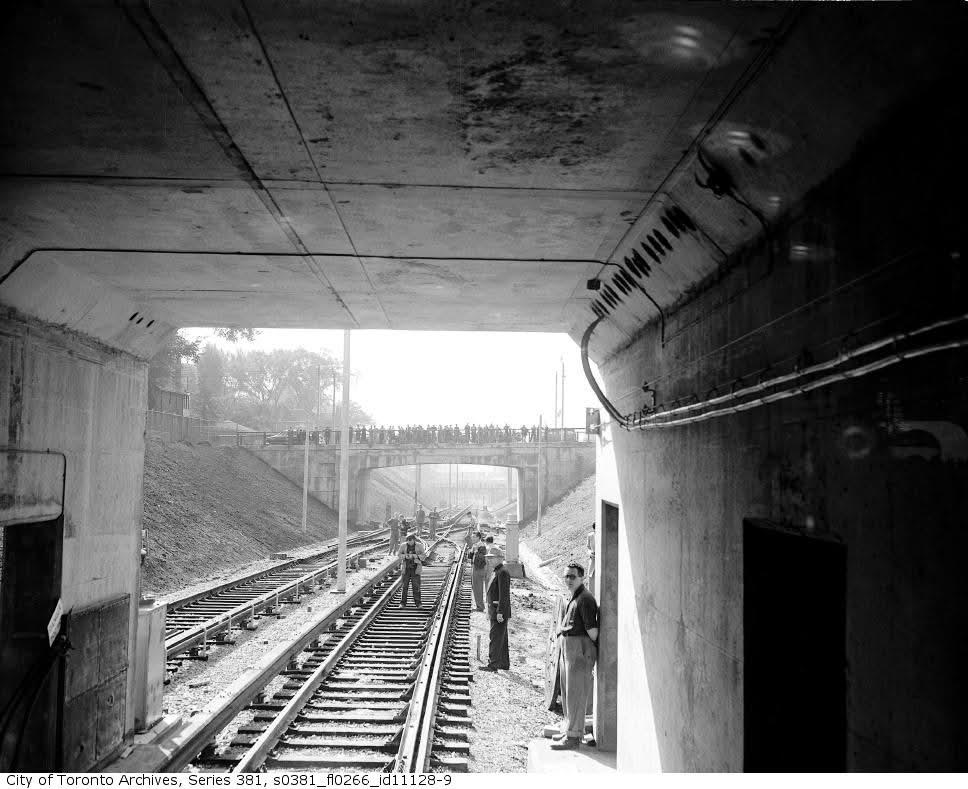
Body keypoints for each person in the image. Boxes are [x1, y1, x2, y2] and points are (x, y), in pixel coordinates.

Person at [552, 563, 599, 750]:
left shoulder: (585, 599)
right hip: (570, 648)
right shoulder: (575, 597)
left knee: (577, 695)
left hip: (579, 649)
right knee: (568, 693)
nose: (569, 580)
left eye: (572, 576)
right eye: (566, 576)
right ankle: (569, 730)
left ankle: (574, 738)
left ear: (582, 578)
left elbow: (592, 631)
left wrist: (585, 652)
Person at [479, 555, 511, 671]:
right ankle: (503, 663)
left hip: (498, 610)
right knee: (501, 638)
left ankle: (493, 665)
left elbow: (504, 594)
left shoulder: (502, 572)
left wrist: (500, 612)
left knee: (495, 637)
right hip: (495, 609)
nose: (489, 560)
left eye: (492, 558)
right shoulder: (497, 571)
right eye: (488, 558)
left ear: (500, 558)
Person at [396, 531, 426, 607]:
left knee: (416, 587)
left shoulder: (419, 546)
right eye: (408, 540)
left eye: (411, 540)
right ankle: (402, 603)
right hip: (406, 569)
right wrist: (405, 556)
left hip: (415, 569)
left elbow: (424, 556)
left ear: (414, 540)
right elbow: (399, 554)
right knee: (404, 586)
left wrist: (416, 556)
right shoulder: (403, 546)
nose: (409, 542)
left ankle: (418, 603)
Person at [470, 532, 488, 612]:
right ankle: (479, 605)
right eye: (472, 537)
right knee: (475, 586)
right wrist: (472, 551)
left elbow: (482, 559)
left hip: (479, 568)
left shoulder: (481, 546)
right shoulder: (476, 545)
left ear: (478, 538)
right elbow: (470, 556)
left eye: (474, 537)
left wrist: (476, 550)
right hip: (475, 567)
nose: (472, 538)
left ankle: (480, 607)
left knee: (478, 587)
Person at [586, 523, 596, 587]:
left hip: (603, 559)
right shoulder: (590, 535)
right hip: (593, 559)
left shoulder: (605, 535)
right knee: (591, 576)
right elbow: (588, 547)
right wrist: (590, 553)